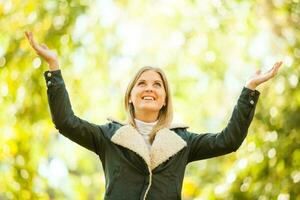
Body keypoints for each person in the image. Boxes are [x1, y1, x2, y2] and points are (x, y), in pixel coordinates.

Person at [25, 31, 282, 200]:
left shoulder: (182, 142)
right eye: (142, 83)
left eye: (157, 85)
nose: (150, 88)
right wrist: (54, 67)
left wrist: (249, 89)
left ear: (164, 100)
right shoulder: (109, 137)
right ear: (130, 96)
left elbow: (228, 140)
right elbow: (65, 122)